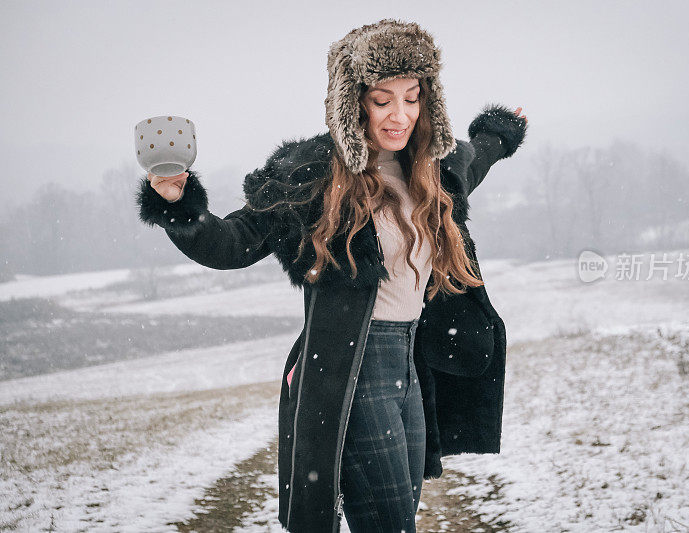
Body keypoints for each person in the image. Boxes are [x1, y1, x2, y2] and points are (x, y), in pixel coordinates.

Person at [137, 18, 527, 533]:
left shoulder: (432, 168)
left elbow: (476, 161)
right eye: (383, 99)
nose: (400, 115)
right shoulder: (312, 177)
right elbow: (231, 243)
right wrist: (178, 203)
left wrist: (498, 131)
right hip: (352, 369)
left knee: (396, 517)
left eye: (412, 97)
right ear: (353, 100)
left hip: (411, 369)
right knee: (387, 523)